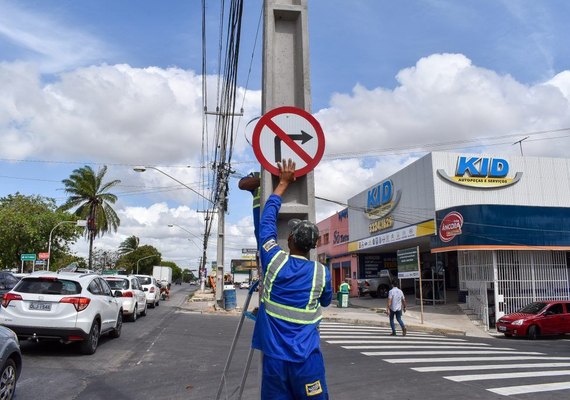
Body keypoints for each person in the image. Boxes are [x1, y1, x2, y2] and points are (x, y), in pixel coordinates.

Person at [252, 158, 332, 400]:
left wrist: (283, 183)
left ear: (289, 241)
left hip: (275, 361)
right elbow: (326, 301)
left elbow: (267, 223)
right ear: (313, 246)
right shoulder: (321, 273)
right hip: (307, 361)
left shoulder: (274, 261)